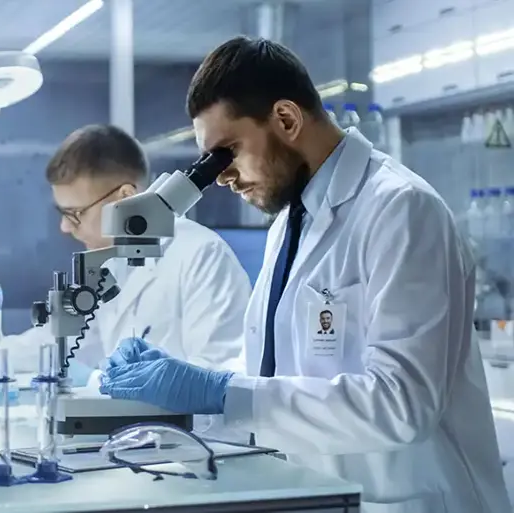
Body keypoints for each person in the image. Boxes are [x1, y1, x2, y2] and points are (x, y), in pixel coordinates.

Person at [99, 37, 509, 513]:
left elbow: (402, 404)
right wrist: (184, 382)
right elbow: (277, 376)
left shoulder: (400, 209)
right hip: (319, 493)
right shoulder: (290, 224)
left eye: (227, 152)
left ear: (287, 119)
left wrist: (216, 392)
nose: (222, 177)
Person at [0, 124, 251, 386]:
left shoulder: (201, 256)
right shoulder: (110, 261)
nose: (65, 228)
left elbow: (220, 382)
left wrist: (98, 381)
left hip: (189, 450)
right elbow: (63, 343)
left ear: (124, 197)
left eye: (75, 213)